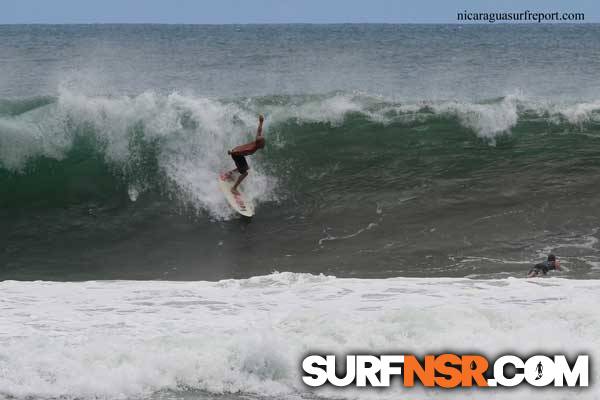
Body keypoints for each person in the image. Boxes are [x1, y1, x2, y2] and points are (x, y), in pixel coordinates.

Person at [222, 114, 265, 194]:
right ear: (259, 144)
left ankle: (229, 174)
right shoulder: (252, 148)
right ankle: (234, 188)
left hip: (238, 153)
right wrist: (231, 152)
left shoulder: (257, 141)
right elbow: (243, 150)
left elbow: (259, 130)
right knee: (245, 173)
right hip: (236, 154)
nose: (264, 144)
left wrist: (261, 122)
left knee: (245, 167)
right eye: (263, 143)